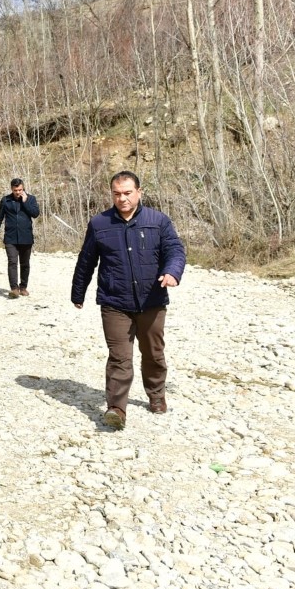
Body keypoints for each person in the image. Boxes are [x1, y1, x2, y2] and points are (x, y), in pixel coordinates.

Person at [71, 171, 185, 430]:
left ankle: (156, 395)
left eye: (127, 193)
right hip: (114, 301)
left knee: (153, 353)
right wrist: (78, 293)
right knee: (119, 357)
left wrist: (172, 272)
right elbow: (86, 261)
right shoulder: (99, 223)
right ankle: (116, 408)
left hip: (152, 300)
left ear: (139, 192)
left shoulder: (158, 221)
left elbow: (175, 250)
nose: (122, 198)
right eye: (116, 194)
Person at [0, 178, 40, 298]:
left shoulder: (31, 199)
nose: (18, 192)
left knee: (25, 263)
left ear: (23, 188)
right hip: (10, 237)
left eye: (20, 190)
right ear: (11, 189)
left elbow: (35, 214)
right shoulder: (6, 200)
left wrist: (25, 202)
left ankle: (23, 287)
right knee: (12, 262)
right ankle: (14, 289)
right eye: (15, 190)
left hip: (26, 237)